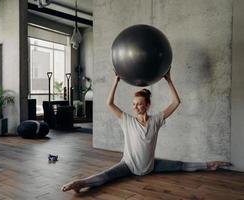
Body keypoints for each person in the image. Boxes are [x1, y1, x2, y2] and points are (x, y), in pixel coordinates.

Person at [61, 68, 231, 193]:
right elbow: (109, 104)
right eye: (134, 104)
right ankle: (81, 183)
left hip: (150, 167)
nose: (136, 107)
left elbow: (176, 102)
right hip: (128, 165)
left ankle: (210, 164)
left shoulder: (156, 120)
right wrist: (116, 81)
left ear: (147, 105)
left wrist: (168, 79)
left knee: (180, 165)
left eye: (139, 104)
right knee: (107, 176)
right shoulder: (127, 121)